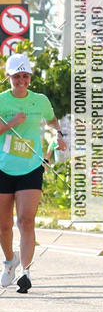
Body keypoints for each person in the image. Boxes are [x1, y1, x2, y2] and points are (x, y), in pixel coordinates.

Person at [0, 53, 66, 293]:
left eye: (25, 75)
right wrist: (11, 123)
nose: (21, 80)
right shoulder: (1, 101)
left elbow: (53, 122)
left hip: (30, 167)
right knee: (3, 225)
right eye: (17, 76)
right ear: (9, 77)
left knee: (26, 221)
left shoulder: (40, 101)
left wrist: (60, 137)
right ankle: (10, 261)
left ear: (30, 77)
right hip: (3, 168)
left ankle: (25, 273)